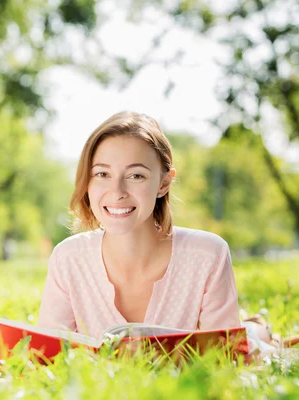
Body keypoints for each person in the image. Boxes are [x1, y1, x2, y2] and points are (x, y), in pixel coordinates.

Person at [37, 111, 241, 340]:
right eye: (102, 173)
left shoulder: (207, 255)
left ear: (163, 183)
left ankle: (258, 330)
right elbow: (46, 357)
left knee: (254, 339)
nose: (117, 192)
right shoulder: (68, 259)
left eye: (136, 176)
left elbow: (227, 358)